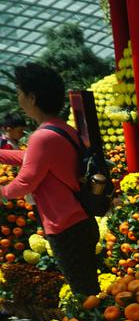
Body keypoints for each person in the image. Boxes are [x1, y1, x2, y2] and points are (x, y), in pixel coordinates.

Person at [0, 63, 99, 295]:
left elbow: (26, 182)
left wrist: (3, 192)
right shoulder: (61, 129)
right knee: (88, 288)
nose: (19, 99)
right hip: (81, 220)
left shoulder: (41, 137)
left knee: (84, 293)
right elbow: (31, 158)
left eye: (20, 93)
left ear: (32, 97)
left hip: (66, 227)